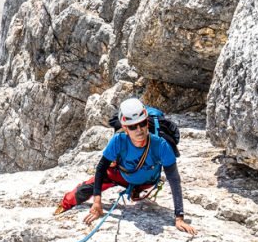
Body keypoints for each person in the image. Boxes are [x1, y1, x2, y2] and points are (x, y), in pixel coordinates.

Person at [56, 97, 196, 234]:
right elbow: (101, 168)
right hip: (121, 175)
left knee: (136, 181)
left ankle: (135, 189)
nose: (139, 130)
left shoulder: (161, 145)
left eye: (142, 124)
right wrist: (97, 202)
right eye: (132, 127)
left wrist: (179, 217)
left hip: (147, 181)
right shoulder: (119, 141)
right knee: (80, 192)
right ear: (125, 128)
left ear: (147, 122)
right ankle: (63, 206)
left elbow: (174, 179)